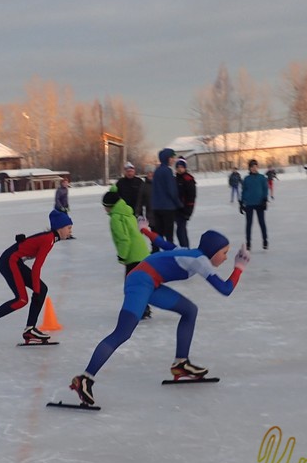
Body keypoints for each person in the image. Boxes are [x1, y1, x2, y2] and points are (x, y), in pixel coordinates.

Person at [68, 231, 250, 407]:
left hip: (149, 281)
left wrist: (145, 230)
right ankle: (85, 378)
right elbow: (225, 289)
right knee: (122, 332)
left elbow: (165, 244)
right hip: (140, 282)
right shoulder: (201, 261)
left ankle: (181, 364)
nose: (226, 257)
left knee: (189, 310)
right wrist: (239, 268)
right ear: (213, 250)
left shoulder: (189, 252)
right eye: (224, 253)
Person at [0, 209, 74, 345]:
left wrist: (37, 290)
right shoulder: (49, 239)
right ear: (60, 228)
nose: (70, 231)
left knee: (42, 289)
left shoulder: (50, 238)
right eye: (69, 228)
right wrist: (35, 291)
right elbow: (36, 268)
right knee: (22, 299)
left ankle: (30, 329)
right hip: (9, 261)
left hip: (14, 261)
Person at [102, 188, 153, 319]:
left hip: (133, 255)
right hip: (142, 252)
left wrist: (122, 256)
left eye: (105, 207)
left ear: (109, 206)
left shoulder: (115, 218)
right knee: (139, 283)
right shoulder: (127, 212)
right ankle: (144, 308)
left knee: (131, 285)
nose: (104, 210)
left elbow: (124, 239)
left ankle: (138, 310)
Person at [151, 148, 182, 247]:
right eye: (172, 157)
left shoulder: (157, 171)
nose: (173, 160)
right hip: (167, 207)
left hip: (157, 207)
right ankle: (169, 255)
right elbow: (171, 190)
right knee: (169, 235)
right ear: (167, 158)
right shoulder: (167, 171)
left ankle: (158, 254)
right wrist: (179, 203)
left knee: (159, 233)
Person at [240, 159, 269, 250]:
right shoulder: (246, 179)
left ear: (257, 167)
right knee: (249, 224)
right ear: (249, 168)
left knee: (262, 223)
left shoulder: (262, 177)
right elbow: (244, 191)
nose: (254, 168)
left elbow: (265, 189)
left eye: (255, 166)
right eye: (252, 167)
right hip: (249, 204)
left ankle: (265, 240)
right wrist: (242, 203)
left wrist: (264, 200)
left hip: (260, 203)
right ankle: (248, 242)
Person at [174, 157, 196, 247]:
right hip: (176, 209)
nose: (179, 168)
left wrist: (188, 211)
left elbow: (191, 196)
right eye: (178, 167)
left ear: (185, 168)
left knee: (181, 230)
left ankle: (185, 248)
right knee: (179, 231)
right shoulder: (175, 179)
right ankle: (184, 248)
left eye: (181, 167)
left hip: (184, 209)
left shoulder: (188, 179)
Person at [135, 170, 155, 235]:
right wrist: (138, 212)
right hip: (150, 213)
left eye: (151, 172)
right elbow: (140, 200)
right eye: (148, 172)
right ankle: (154, 245)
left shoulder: (159, 183)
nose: (150, 174)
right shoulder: (143, 185)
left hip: (160, 212)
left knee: (161, 234)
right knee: (153, 233)